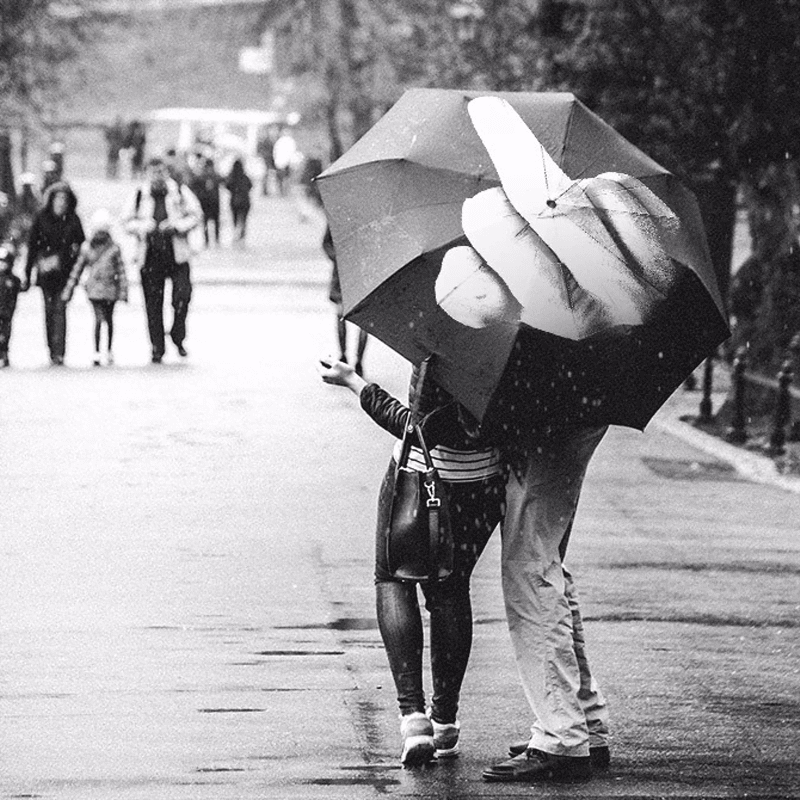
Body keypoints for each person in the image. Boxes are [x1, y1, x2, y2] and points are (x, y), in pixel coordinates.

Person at [318, 354, 505, 766]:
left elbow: (415, 426)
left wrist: (355, 384)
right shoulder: (519, 339)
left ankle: (413, 717)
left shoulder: (445, 333)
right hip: (482, 483)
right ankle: (445, 721)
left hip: (423, 477)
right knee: (451, 589)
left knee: (393, 579)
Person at [123, 156, 202, 363]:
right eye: (154, 172)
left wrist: (176, 225)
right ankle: (157, 346)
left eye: (161, 172)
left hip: (176, 254)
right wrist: (144, 226)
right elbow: (126, 221)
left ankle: (178, 334)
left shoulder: (180, 193)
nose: (158, 176)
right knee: (153, 304)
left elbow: (195, 215)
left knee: (182, 296)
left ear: (167, 173)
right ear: (147, 173)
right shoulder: (140, 195)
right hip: (150, 256)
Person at [21, 181, 85, 365]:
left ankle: (59, 351)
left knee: (60, 309)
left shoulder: (73, 219)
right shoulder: (41, 218)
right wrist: (28, 272)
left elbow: (82, 243)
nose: (61, 203)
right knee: (49, 311)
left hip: (65, 273)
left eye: (64, 199)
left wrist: (73, 259)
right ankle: (52, 348)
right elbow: (32, 246)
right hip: (46, 272)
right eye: (58, 198)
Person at [62, 209, 128, 366]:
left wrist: (123, 291)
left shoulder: (113, 248)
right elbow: (77, 270)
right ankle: (98, 351)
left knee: (109, 320)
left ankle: (108, 350)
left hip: (110, 289)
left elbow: (121, 271)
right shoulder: (87, 248)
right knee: (99, 320)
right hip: (94, 290)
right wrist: (68, 289)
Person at [323, 224, 368, 375]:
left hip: (364, 273)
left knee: (366, 322)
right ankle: (343, 356)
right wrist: (338, 257)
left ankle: (359, 361)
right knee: (341, 314)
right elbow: (326, 243)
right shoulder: (337, 215)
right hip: (342, 275)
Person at [190, 158, 222, 247]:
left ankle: (211, 240)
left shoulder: (203, 176)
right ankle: (211, 240)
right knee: (210, 222)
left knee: (211, 222)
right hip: (209, 202)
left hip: (209, 202)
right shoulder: (210, 176)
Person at [0, 242, 21, 367]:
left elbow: (15, 293)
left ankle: (4, 352)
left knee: (5, 333)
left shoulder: (12, 280)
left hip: (6, 311)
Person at [224, 158, 252, 243]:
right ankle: (242, 234)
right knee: (243, 219)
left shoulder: (232, 177)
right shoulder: (245, 177)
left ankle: (236, 233)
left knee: (235, 218)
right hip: (245, 201)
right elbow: (250, 186)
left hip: (234, 201)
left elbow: (227, 186)